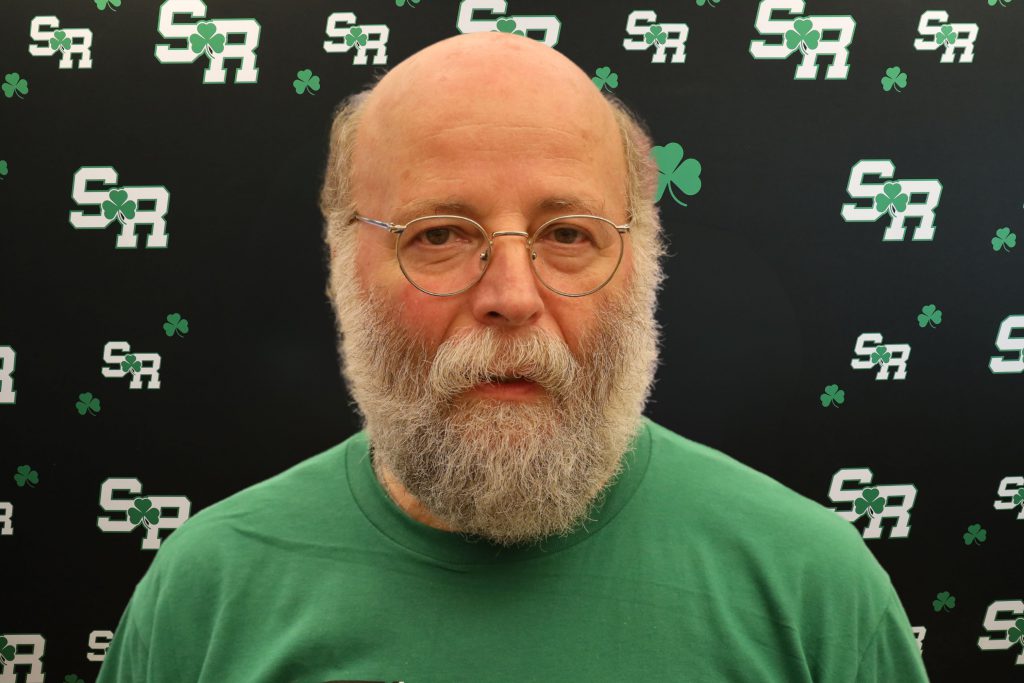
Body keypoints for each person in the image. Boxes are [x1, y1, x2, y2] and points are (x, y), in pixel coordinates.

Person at [97, 31, 930, 682]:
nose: (512, 294)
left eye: (567, 234)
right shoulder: (206, 592)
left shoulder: (814, 592)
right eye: (440, 235)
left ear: (643, 265)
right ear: (343, 267)